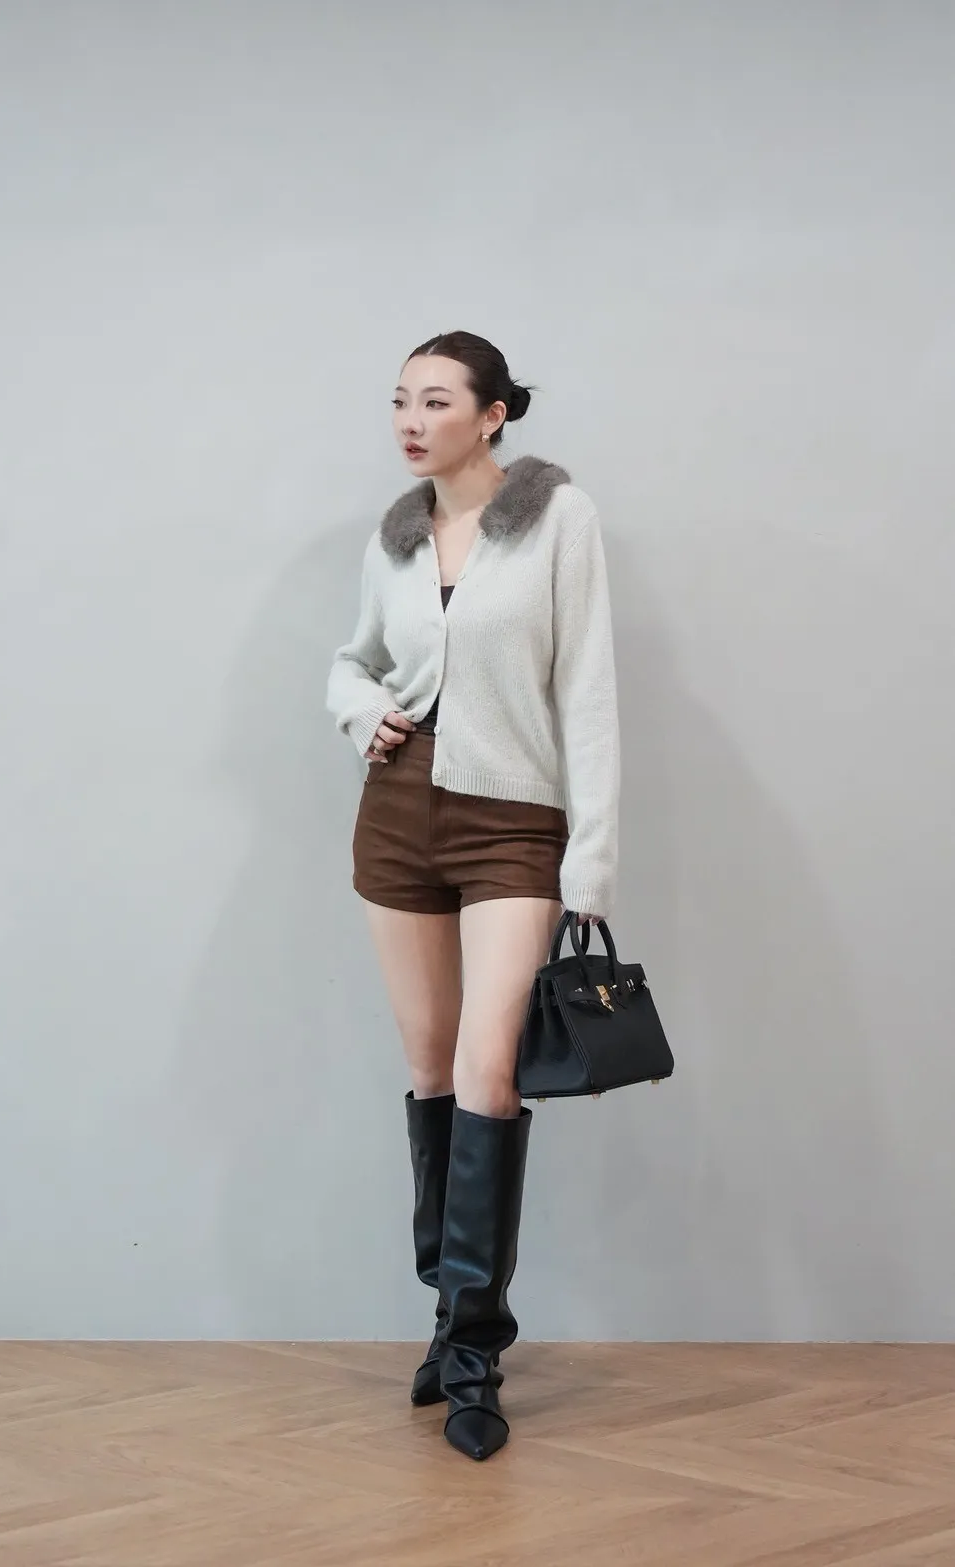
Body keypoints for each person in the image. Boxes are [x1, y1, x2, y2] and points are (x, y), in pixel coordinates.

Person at [325, 330, 620, 1461]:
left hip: (511, 820)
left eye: (436, 400)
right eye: (400, 400)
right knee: (431, 1070)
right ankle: (449, 1314)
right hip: (399, 811)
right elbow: (352, 659)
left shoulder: (558, 519)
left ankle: (474, 1356)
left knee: (491, 1070)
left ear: (492, 414)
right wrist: (363, 712)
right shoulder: (396, 535)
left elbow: (586, 687)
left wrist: (590, 858)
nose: (411, 420)